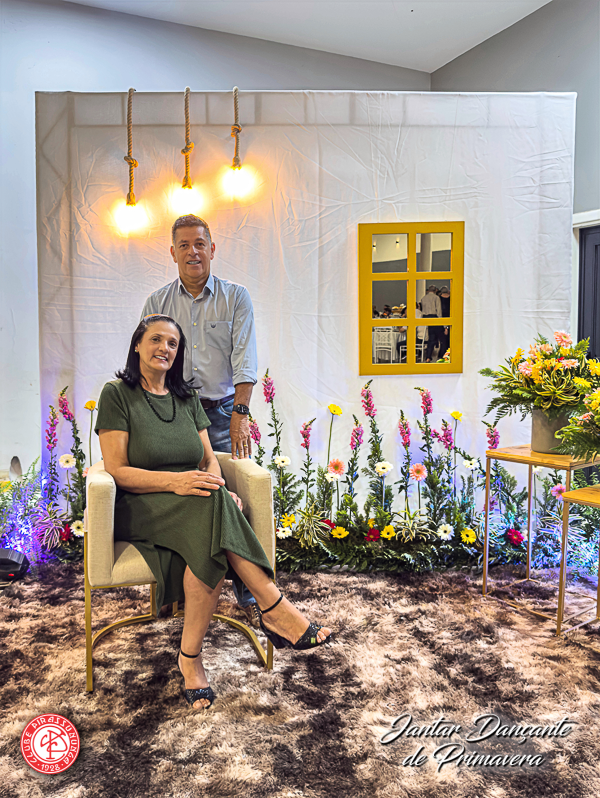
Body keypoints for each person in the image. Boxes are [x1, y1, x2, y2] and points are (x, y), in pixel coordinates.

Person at [95, 315, 332, 710]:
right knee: (210, 509)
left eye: (173, 343)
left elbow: (208, 460)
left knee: (211, 522)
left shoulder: (187, 398)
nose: (164, 348)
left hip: (195, 500)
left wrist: (218, 489)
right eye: (156, 339)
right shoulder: (117, 394)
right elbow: (117, 470)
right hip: (142, 502)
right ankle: (273, 607)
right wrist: (177, 482)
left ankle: (190, 658)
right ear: (137, 344)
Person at [141, 215, 260, 626]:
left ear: (212, 248)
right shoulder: (157, 302)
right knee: (178, 503)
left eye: (199, 244)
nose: (193, 251)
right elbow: (146, 362)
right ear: (172, 253)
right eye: (184, 245)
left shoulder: (235, 297)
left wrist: (240, 414)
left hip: (223, 411)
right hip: (172, 412)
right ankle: (171, 591)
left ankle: (250, 593)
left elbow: (245, 358)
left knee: (233, 497)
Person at [420, 285, 441, 362]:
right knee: (432, 338)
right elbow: (439, 310)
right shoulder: (436, 298)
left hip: (424, 317)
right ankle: (428, 356)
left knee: (425, 336)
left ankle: (424, 355)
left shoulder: (423, 298)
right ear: (435, 290)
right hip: (433, 317)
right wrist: (440, 320)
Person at [438, 286, 451, 359]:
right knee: (449, 339)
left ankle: (442, 354)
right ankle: (448, 353)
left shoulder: (439, 299)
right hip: (450, 319)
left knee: (442, 340)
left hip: (440, 321)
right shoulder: (451, 299)